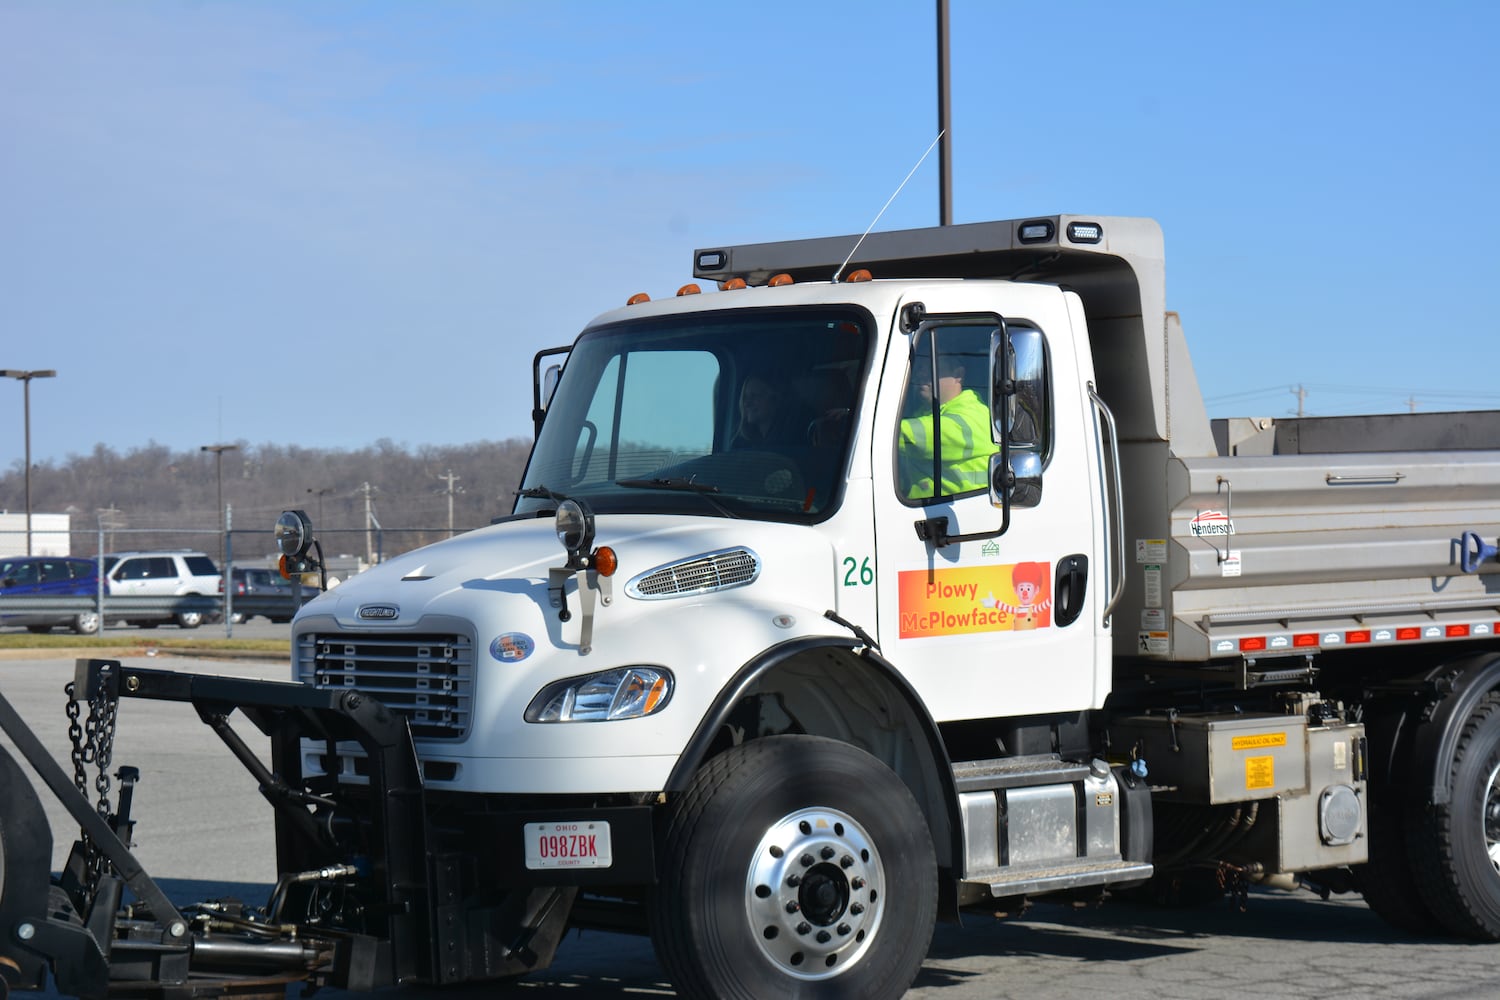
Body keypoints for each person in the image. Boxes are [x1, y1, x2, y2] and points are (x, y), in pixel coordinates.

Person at [898, 357, 999, 499]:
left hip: (967, 515)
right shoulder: (923, 413)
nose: (920, 374)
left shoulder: (974, 413)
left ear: (958, 375)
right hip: (916, 512)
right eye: (919, 367)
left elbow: (915, 437)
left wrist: (875, 433)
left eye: (930, 367)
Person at [732, 373, 800, 450]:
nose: (747, 403)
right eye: (745, 397)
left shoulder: (790, 441)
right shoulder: (742, 444)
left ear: (774, 399)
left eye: (754, 396)